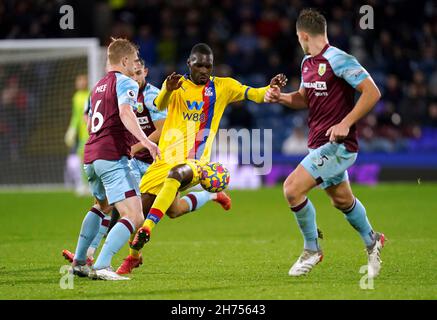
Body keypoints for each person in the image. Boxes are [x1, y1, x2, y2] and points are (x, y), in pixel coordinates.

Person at [129, 43, 287, 253]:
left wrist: (270, 89)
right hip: (165, 158)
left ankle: (105, 256)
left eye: (208, 66)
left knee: (147, 203)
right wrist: (168, 88)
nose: (204, 71)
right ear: (189, 64)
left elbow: (256, 94)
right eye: (199, 65)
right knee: (170, 210)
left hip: (195, 162)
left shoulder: (223, 87)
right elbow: (159, 105)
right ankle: (210, 196)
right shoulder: (176, 85)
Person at [264, 9, 384, 278]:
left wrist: (346, 122)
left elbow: (372, 92)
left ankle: (311, 249)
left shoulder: (339, 59)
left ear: (303, 35)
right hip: (317, 143)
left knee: (292, 189)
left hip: (339, 145)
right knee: (342, 200)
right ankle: (372, 239)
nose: (298, 41)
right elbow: (304, 99)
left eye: (298, 37)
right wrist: (280, 98)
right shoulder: (307, 62)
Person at [69, 38, 159, 281]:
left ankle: (79, 262)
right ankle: (102, 265)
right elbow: (126, 112)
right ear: (126, 60)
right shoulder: (125, 82)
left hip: (91, 155)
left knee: (102, 206)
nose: (134, 67)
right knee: (135, 215)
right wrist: (147, 141)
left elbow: (89, 124)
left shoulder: (97, 86)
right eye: (133, 62)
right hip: (111, 156)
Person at [64, 74, 90, 195]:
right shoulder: (76, 97)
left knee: (85, 157)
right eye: (78, 81)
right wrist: (72, 129)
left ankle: (86, 184)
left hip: (90, 131)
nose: (81, 83)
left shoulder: (90, 94)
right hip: (81, 133)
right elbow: (76, 116)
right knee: (82, 157)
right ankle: (84, 184)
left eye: (83, 80)